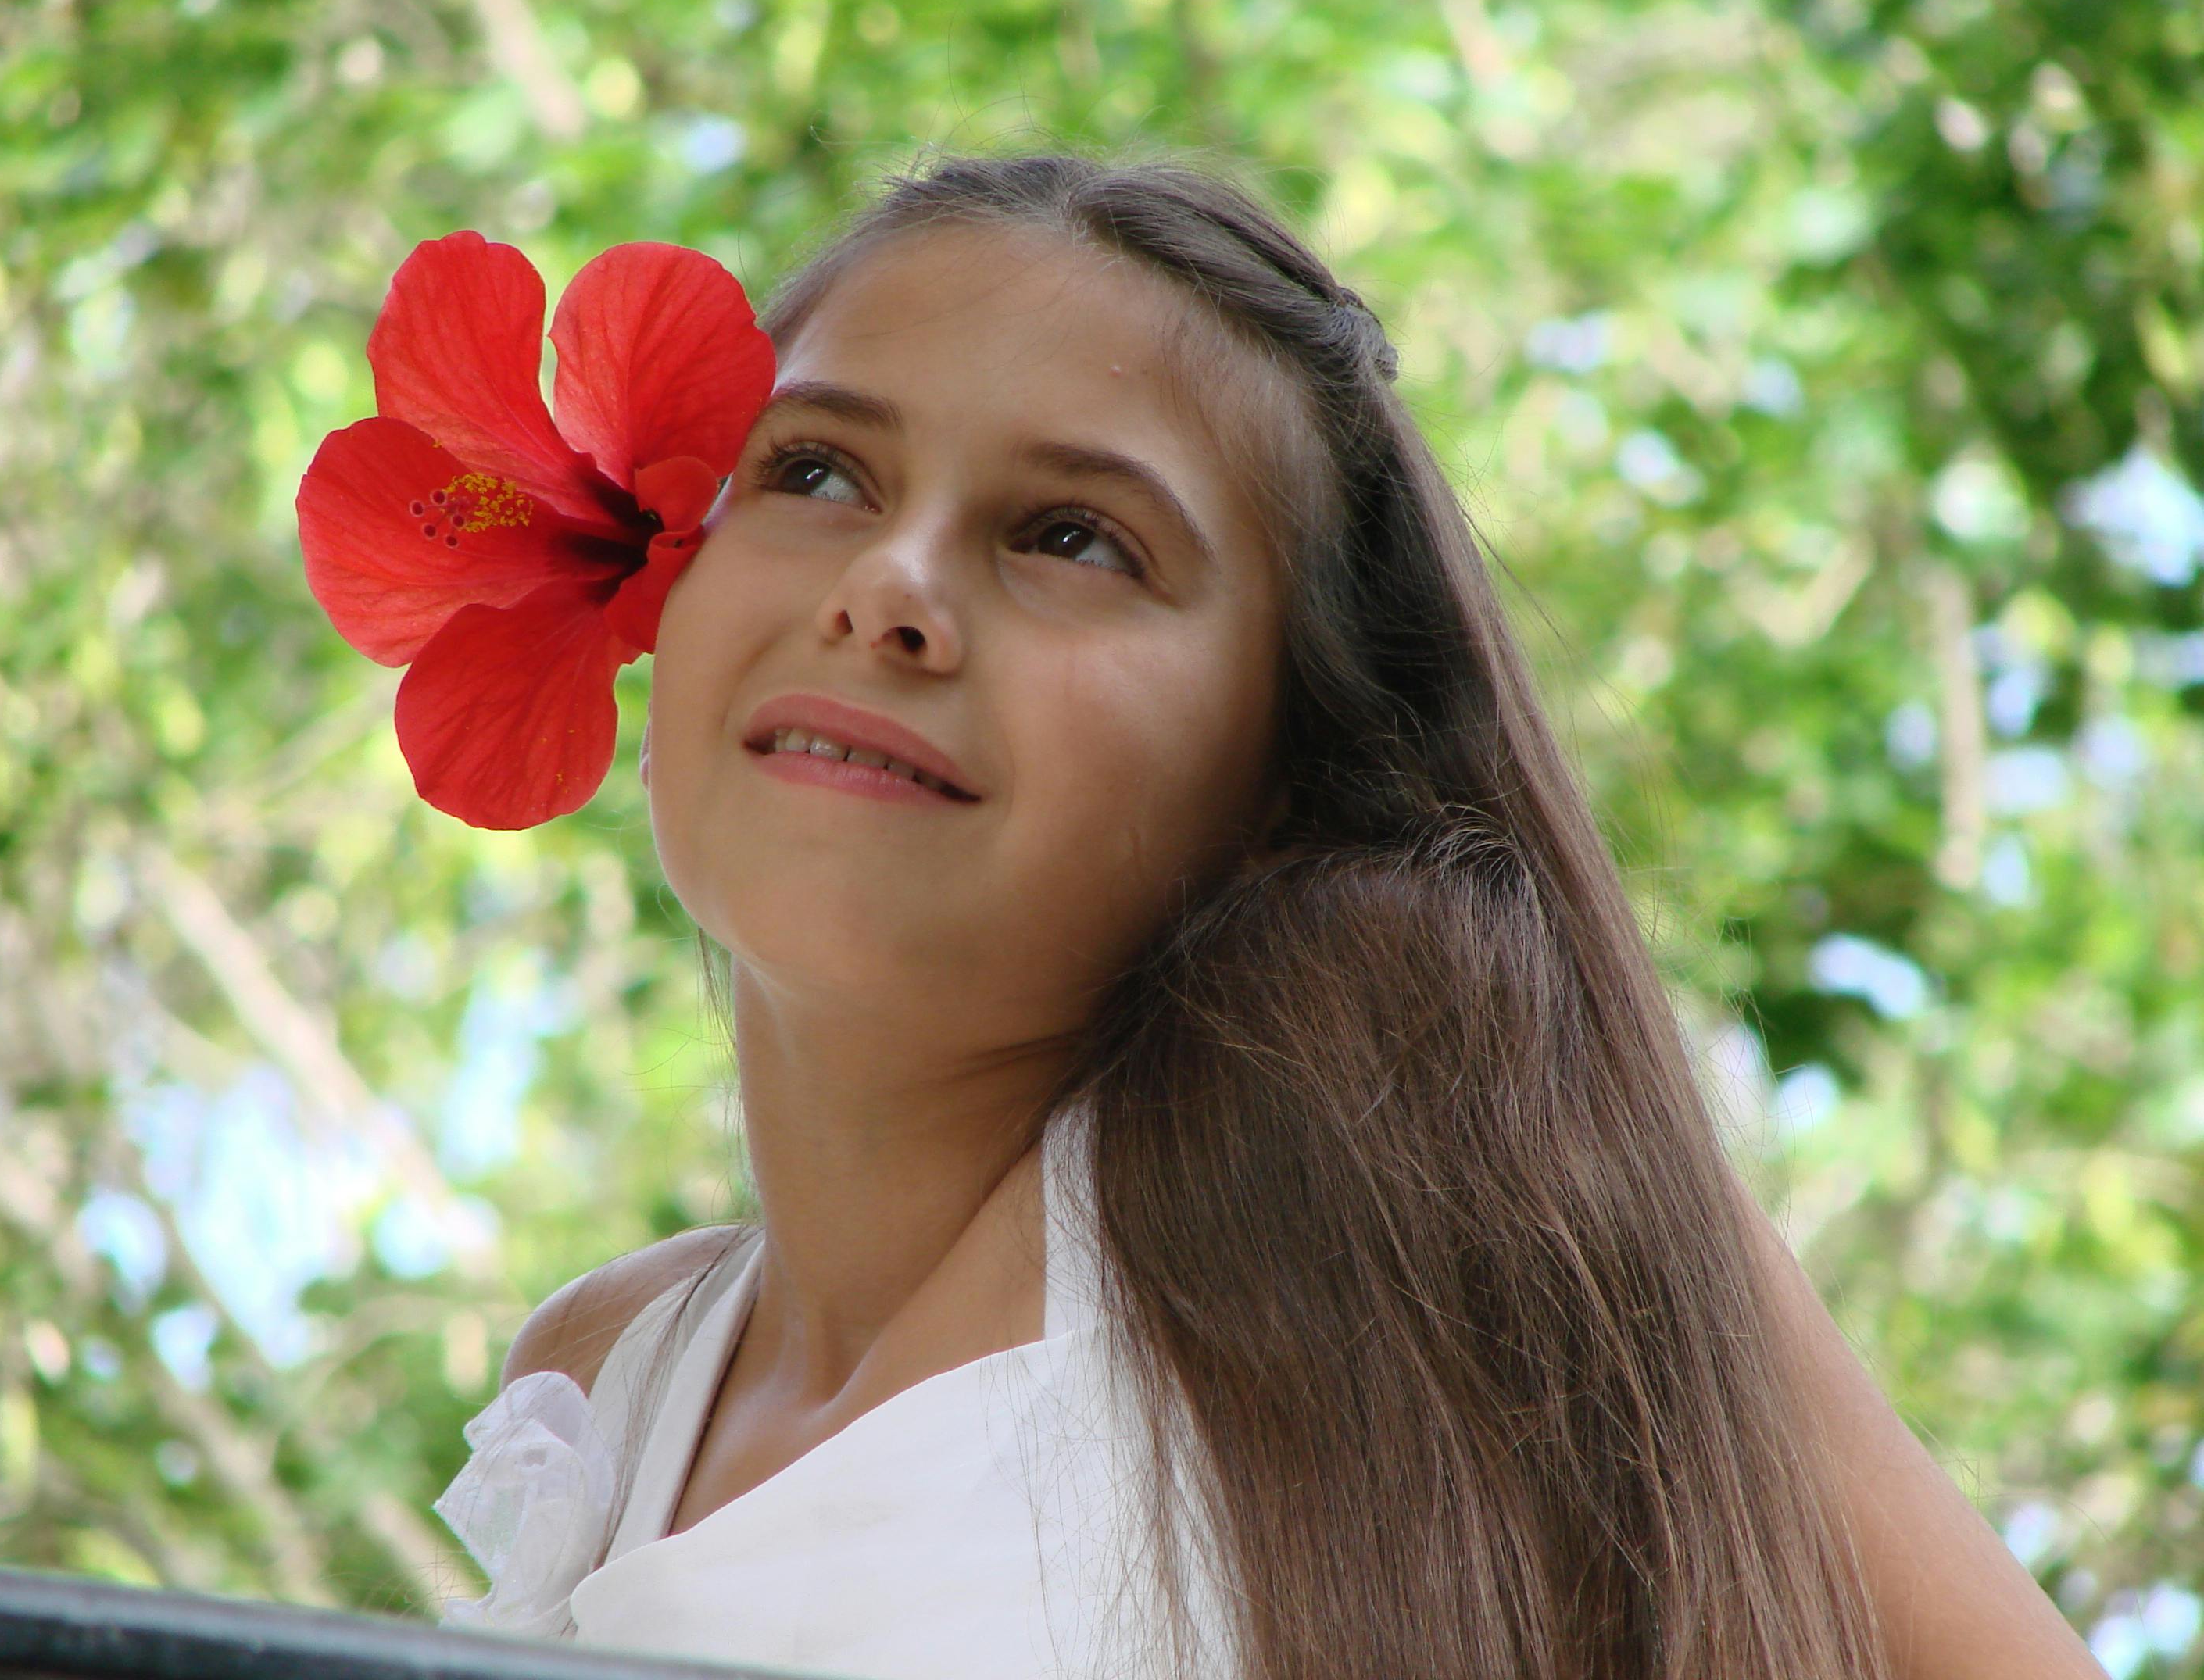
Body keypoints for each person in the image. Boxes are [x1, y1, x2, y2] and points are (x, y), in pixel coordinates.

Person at [431, 155, 2101, 1679]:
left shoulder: (1450, 1172)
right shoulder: (601, 1373)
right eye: (813, 470)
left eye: (1074, 536)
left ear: (1285, 776)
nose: (892, 589)